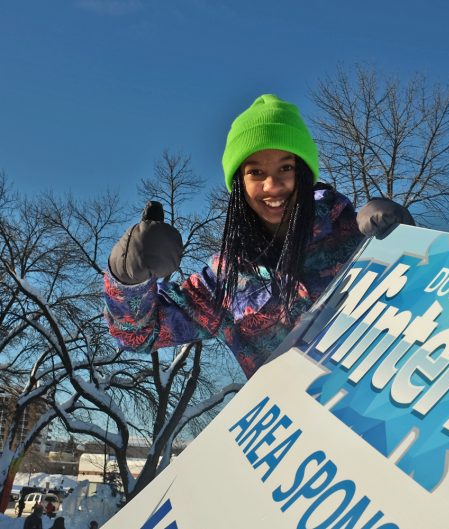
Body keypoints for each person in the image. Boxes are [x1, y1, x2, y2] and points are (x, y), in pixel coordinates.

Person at [104, 94, 412, 377]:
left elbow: (427, 303)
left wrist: (406, 239)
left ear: (304, 173)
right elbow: (138, 336)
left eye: (286, 168)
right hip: (301, 430)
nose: (272, 186)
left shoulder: (354, 236)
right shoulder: (225, 284)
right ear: (239, 183)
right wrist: (127, 275)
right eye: (256, 173)